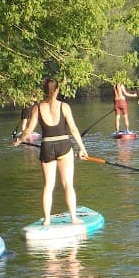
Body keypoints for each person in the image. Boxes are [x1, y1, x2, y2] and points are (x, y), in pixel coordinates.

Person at [14, 77, 89, 225]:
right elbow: (73, 129)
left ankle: (47, 220)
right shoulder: (64, 106)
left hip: (47, 147)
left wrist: (19, 140)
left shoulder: (37, 107)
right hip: (64, 146)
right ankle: (74, 218)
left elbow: (28, 130)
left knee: (48, 186)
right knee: (68, 184)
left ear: (44, 90)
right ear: (58, 90)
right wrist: (82, 148)